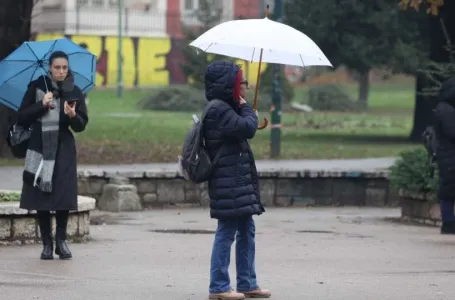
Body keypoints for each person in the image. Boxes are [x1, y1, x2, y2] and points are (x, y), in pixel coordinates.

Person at [202, 61, 271, 300]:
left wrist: (243, 110)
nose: (246, 87)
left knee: (246, 229)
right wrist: (248, 110)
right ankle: (219, 287)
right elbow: (247, 128)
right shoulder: (219, 109)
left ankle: (247, 282)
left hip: (237, 181)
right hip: (227, 182)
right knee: (227, 231)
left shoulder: (227, 108)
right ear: (229, 85)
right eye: (242, 82)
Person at [16, 50, 89, 259]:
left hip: (64, 147)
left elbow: (82, 125)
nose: (61, 71)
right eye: (57, 67)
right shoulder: (37, 87)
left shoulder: (74, 91)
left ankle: (61, 241)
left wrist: (73, 115)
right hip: (39, 146)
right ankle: (46, 244)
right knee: (41, 195)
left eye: (64, 67)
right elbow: (21, 116)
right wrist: (41, 104)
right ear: (49, 68)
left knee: (63, 194)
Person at [434, 77, 455, 234]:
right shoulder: (446, 110)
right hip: (450, 156)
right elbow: (452, 132)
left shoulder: (445, 108)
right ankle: (448, 222)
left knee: (448, 189)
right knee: (448, 189)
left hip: (447, 155)